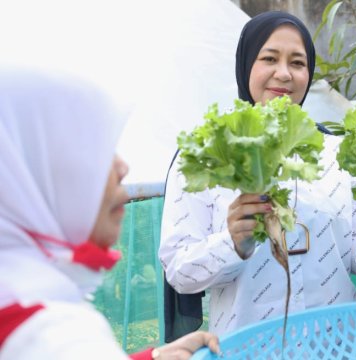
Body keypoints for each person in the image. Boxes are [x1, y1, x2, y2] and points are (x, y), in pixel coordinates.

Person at [159, 11, 356, 337]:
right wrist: (232, 242)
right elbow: (180, 272)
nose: (284, 74)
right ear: (246, 66)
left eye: (298, 63)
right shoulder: (205, 153)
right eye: (269, 58)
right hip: (248, 347)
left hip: (336, 345)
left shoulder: (338, 152)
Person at [0, 67, 220, 359]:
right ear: (36, 172)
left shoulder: (20, 298)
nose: (123, 168)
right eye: (97, 152)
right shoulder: (55, 337)